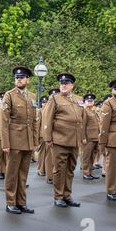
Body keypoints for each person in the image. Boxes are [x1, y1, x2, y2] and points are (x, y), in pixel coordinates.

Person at [42, 73, 83, 207]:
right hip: (60, 140)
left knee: (70, 169)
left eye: (66, 83)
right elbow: (47, 119)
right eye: (61, 83)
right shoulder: (54, 98)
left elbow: (81, 119)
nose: (63, 85)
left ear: (72, 85)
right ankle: (58, 196)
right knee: (59, 169)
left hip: (74, 140)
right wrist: (47, 138)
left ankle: (67, 195)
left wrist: (82, 137)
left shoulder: (78, 99)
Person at [1, 66, 38, 214]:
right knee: (12, 174)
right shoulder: (9, 96)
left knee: (23, 173)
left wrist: (35, 142)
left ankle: (21, 202)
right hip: (15, 140)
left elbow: (35, 121)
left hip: (28, 140)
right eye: (17, 78)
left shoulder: (32, 97)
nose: (19, 80)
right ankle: (11, 202)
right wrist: (5, 143)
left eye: (22, 77)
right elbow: (4, 121)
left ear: (27, 80)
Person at [81, 93, 100, 180]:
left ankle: (90, 172)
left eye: (91, 101)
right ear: (84, 102)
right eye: (88, 101)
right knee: (86, 156)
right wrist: (83, 137)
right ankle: (85, 172)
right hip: (88, 137)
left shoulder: (93, 111)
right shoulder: (84, 111)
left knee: (92, 155)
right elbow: (82, 125)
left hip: (95, 137)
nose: (90, 102)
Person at [36, 95, 48, 177]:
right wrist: (36, 139)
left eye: (46, 102)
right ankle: (40, 169)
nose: (45, 104)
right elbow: (37, 125)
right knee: (42, 154)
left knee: (49, 154)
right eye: (43, 102)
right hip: (42, 136)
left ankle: (47, 169)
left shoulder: (51, 110)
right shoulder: (40, 111)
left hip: (50, 136)